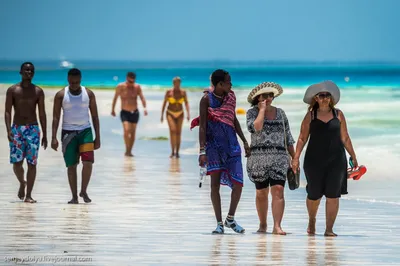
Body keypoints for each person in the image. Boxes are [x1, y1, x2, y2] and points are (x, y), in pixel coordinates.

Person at [291, 80, 358, 237]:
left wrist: (353, 156)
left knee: (333, 195)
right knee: (314, 194)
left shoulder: (338, 114)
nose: (325, 98)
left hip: (336, 160)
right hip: (314, 161)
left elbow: (345, 138)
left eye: (327, 95)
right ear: (316, 98)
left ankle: (329, 229)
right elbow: (302, 138)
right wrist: (295, 158)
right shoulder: (311, 116)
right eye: (321, 95)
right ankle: (312, 220)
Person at [191, 69, 250, 234]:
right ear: (220, 84)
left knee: (238, 184)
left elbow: (233, 119)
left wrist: (245, 141)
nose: (231, 84)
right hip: (213, 146)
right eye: (229, 81)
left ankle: (230, 218)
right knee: (215, 185)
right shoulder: (206, 100)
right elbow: (202, 126)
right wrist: (202, 151)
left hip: (231, 144)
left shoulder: (231, 97)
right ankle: (219, 223)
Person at [246, 82, 295, 235]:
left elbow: (288, 137)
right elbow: (256, 127)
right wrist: (261, 110)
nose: (268, 98)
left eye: (271, 95)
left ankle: (277, 226)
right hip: (258, 160)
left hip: (279, 158)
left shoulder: (281, 113)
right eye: (265, 95)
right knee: (261, 193)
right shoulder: (251, 113)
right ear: (258, 98)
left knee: (278, 191)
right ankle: (263, 224)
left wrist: (294, 158)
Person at [51, 68, 101, 204]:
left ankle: (84, 190)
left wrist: (98, 137)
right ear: (68, 80)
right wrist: (53, 137)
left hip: (86, 131)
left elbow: (95, 116)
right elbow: (55, 117)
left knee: (88, 162)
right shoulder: (61, 95)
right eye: (72, 82)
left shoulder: (88, 93)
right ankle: (74, 196)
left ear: (81, 80)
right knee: (71, 166)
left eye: (77, 82)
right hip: (68, 133)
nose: (74, 85)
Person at [4, 62, 47, 203]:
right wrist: (8, 129)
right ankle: (22, 182)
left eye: (31, 70)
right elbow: (7, 111)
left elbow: (42, 114)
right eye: (26, 70)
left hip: (33, 129)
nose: (29, 72)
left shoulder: (38, 91)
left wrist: (45, 134)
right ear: (21, 72)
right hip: (17, 129)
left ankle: (29, 195)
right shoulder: (12, 90)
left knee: (32, 163)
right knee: (17, 163)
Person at [111, 72, 148, 157]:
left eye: (132, 82)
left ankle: (129, 151)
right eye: (129, 81)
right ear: (126, 78)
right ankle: (127, 149)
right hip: (124, 112)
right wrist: (112, 109)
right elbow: (115, 98)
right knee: (127, 130)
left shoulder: (137, 87)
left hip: (135, 112)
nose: (131, 84)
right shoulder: (120, 86)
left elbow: (142, 97)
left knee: (133, 132)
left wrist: (145, 108)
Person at [160, 77, 190, 158]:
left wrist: (188, 113)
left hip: (180, 113)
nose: (177, 84)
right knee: (173, 131)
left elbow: (186, 103)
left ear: (180, 83)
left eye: (178, 83)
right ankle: (172, 151)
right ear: (173, 83)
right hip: (170, 113)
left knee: (178, 133)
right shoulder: (169, 92)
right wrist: (162, 115)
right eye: (175, 83)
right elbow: (164, 103)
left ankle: (177, 152)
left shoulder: (183, 92)